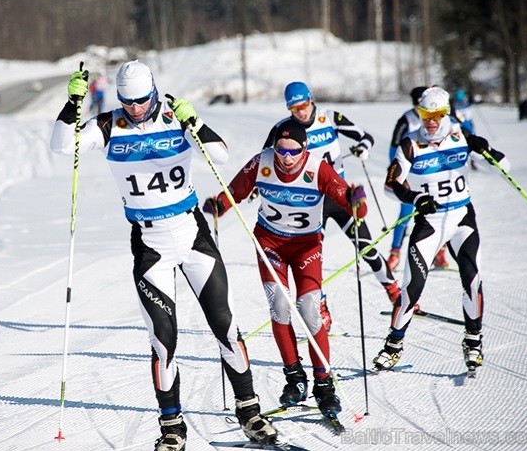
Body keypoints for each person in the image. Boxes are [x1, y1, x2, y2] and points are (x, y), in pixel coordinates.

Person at [50, 61, 278, 451]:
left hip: (192, 236)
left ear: (154, 92)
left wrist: (196, 122)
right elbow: (60, 146)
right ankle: (172, 426)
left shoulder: (176, 118)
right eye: (128, 101)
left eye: (141, 100)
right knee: (163, 340)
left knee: (225, 326)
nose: (135, 109)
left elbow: (222, 156)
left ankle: (250, 412)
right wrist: (72, 104)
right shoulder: (108, 126)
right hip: (150, 243)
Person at [202, 119, 368, 418]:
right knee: (280, 307)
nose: (286, 158)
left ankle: (323, 383)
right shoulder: (262, 162)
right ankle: (295, 379)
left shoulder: (318, 168)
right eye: (281, 149)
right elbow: (235, 192)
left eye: (294, 152)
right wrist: (218, 206)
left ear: (304, 149)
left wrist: (357, 202)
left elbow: (349, 202)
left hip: (306, 246)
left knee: (309, 310)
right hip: (270, 243)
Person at [372, 86, 510, 374]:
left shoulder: (461, 134)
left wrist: (488, 151)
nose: (431, 121)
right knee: (413, 287)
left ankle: (473, 341)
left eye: (436, 114)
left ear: (446, 113)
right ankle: (392, 346)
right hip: (430, 224)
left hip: (461, 219)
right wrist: (414, 198)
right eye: (425, 114)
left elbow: (506, 166)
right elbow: (390, 185)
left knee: (472, 279)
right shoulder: (411, 144)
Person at [262, 81, 402, 330]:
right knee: (313, 258)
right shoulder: (283, 130)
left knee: (366, 247)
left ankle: (395, 293)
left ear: (311, 100)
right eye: (294, 109)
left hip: (340, 196)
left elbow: (365, 137)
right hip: (310, 203)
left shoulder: (330, 117)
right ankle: (322, 309)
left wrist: (362, 149)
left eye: (304, 105)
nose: (301, 113)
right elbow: (264, 162)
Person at [387, 87, 449, 271]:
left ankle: (440, 253)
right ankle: (394, 253)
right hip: (411, 173)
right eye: (417, 106)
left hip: (433, 173)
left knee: (441, 211)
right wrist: (399, 173)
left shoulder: (440, 117)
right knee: (406, 212)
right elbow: (393, 148)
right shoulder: (406, 119)